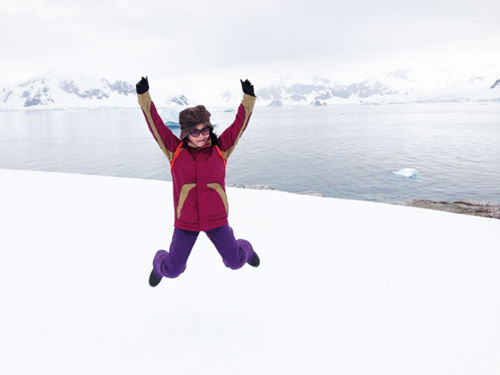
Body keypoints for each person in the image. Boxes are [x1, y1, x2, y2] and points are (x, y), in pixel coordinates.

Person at [136, 76, 260, 287]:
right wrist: (143, 95)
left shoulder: (220, 149)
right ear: (186, 133)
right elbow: (155, 124)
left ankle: (246, 249)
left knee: (236, 262)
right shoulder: (174, 151)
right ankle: (158, 263)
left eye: (205, 129)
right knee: (172, 270)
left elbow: (239, 125)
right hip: (186, 222)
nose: (202, 135)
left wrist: (248, 97)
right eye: (195, 131)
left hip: (217, 220)